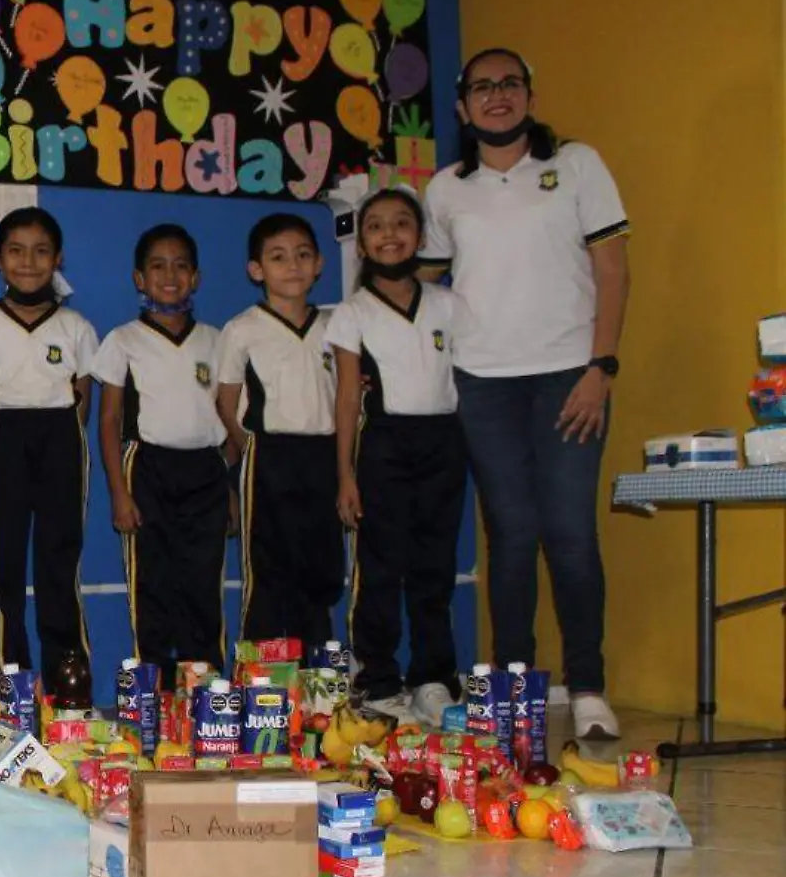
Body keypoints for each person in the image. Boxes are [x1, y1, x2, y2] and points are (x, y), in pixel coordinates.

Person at [421, 48, 630, 739]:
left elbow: (612, 270)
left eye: (509, 83)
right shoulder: (446, 189)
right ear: (462, 108)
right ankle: (515, 687)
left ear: (530, 95)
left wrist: (601, 366)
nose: (497, 96)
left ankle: (590, 685)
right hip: (483, 383)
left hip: (571, 375)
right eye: (483, 87)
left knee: (569, 532)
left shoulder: (576, 165)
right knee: (509, 536)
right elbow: (419, 278)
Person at [330, 189, 471, 728]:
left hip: (442, 442)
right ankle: (379, 680)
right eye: (376, 227)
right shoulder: (352, 313)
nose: (390, 234)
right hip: (382, 446)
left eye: (402, 223)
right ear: (363, 243)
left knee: (434, 567)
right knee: (381, 567)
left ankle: (434, 678)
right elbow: (346, 397)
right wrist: (345, 473)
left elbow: (468, 378)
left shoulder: (448, 305)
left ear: (421, 235)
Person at [0, 207, 96, 692]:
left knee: (60, 559)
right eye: (16, 251)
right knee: (4, 560)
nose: (29, 262)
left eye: (40, 251)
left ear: (57, 258)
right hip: (4, 438)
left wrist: (61, 445)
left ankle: (67, 677)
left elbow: (83, 401)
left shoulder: (76, 326)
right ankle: (7, 673)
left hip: (60, 438)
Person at [94, 223, 228, 686]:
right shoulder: (123, 340)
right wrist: (119, 492)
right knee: (153, 585)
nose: (169, 275)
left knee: (202, 583)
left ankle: (205, 689)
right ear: (139, 278)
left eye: (180, 265)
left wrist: (226, 481)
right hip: (146, 470)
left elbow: (232, 416)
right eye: (157, 266)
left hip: (206, 471)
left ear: (195, 277)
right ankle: (155, 691)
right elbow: (108, 421)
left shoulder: (217, 340)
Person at [215, 213, 342, 655]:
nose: (293, 266)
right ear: (257, 269)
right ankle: (260, 679)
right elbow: (226, 401)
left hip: (324, 456)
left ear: (320, 263)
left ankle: (316, 676)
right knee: (269, 570)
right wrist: (249, 447)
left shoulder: (335, 327)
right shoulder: (242, 329)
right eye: (278, 257)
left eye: (303, 255)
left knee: (320, 566)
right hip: (268, 458)